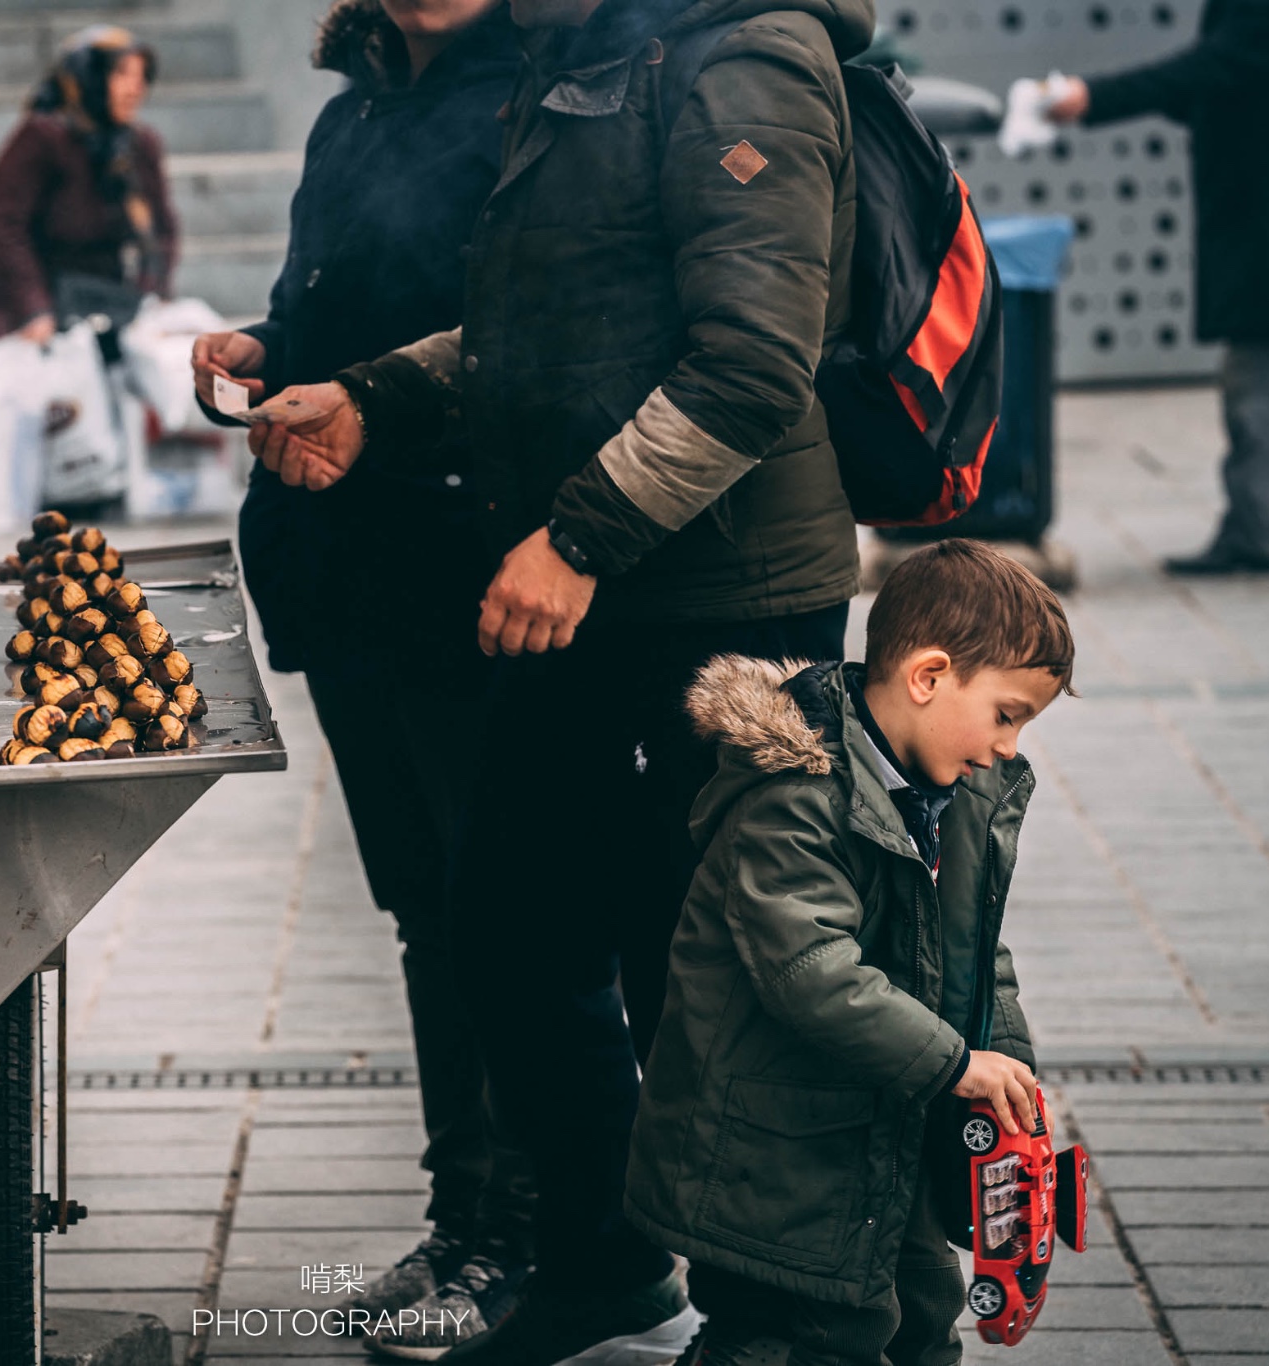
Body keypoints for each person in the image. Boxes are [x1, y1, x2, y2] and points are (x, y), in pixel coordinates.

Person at [245, 0, 867, 1359]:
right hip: (587, 589)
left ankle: (778, 1317)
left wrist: (581, 536)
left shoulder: (742, 52)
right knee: (509, 925)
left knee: (705, 962)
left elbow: (754, 362)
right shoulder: (577, 55)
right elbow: (537, 324)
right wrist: (377, 393)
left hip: (722, 599)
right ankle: (599, 1258)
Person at [190, 0, 534, 1355]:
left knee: (500, 906)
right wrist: (262, 350)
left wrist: (370, 397)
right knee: (424, 905)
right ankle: (466, 1218)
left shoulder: (539, 101)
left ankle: (528, 1233)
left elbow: (543, 334)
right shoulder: (349, 117)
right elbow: (316, 306)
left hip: (471, 565)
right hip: (345, 571)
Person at [625, 539, 1073, 1366]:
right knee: (799, 1340)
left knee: (922, 1323)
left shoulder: (955, 796)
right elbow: (812, 974)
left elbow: (978, 955)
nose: (1009, 745)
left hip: (881, 1132)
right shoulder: (791, 797)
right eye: (1007, 713)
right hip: (771, 1160)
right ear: (929, 677)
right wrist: (953, 1064)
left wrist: (1003, 1066)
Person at [1044, 0, 1269, 576]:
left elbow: (1197, 74)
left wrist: (1092, 96)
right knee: (1267, 383)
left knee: (1255, 388)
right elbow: (1206, 88)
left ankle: (1252, 533)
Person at [0, 25, 177, 347]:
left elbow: (162, 229)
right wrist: (34, 310)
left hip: (94, 306)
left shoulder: (139, 146)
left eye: (141, 76)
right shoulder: (42, 138)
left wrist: (151, 295)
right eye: (121, 74)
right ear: (88, 78)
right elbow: (5, 229)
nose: (136, 88)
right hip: (20, 310)